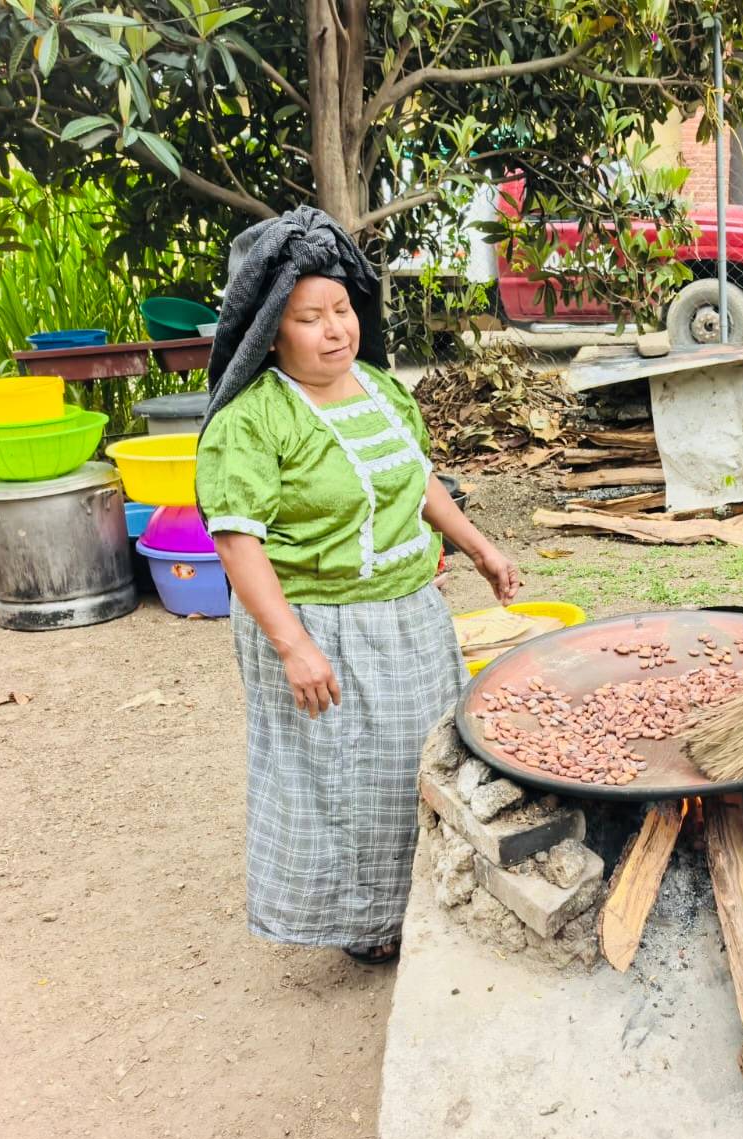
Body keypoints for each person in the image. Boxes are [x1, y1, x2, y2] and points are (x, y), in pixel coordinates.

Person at [196, 207, 519, 966]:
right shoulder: (253, 420)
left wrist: (478, 547)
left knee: (426, 760)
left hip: (408, 619)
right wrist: (293, 645)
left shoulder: (378, 389)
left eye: (341, 309)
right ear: (273, 329)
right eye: (310, 317)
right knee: (346, 782)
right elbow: (236, 542)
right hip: (321, 628)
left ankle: (421, 895)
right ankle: (366, 924)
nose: (335, 329)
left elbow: (419, 481)